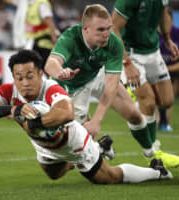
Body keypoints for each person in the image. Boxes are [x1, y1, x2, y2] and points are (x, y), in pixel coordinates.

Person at [0, 49, 173, 184]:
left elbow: (66, 113)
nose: (25, 83)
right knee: (54, 175)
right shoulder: (8, 91)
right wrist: (10, 110)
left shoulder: (51, 89)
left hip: (74, 141)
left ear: (40, 74)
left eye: (30, 76)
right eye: (19, 78)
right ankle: (100, 146)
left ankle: (157, 173)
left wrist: (34, 122)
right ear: (13, 78)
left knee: (108, 178)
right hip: (45, 146)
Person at [44, 4, 179, 168]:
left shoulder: (113, 41)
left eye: (108, 28)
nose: (106, 34)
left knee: (135, 115)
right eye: (100, 30)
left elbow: (111, 86)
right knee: (71, 158)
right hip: (72, 88)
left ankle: (152, 154)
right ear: (85, 28)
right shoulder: (70, 38)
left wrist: (96, 121)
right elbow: (50, 63)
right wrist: (60, 72)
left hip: (97, 75)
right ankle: (98, 147)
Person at [4, 0, 59, 70]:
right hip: (32, 43)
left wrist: (54, 42)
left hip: (43, 43)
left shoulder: (41, 3)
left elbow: (49, 21)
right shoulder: (25, 2)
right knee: (36, 69)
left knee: (46, 68)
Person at [158, 8, 179, 132]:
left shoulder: (177, 33)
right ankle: (159, 121)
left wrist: (168, 68)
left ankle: (165, 122)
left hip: (172, 70)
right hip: (155, 70)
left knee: (168, 96)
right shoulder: (152, 35)